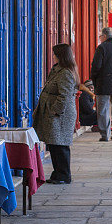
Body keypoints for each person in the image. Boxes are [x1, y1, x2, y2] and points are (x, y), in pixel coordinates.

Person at [33, 43, 80, 185]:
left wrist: (55, 110)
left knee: (60, 145)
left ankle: (64, 175)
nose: (53, 56)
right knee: (54, 143)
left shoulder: (65, 73)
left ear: (60, 55)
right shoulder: (57, 70)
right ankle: (57, 173)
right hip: (53, 113)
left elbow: (64, 95)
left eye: (55, 54)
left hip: (60, 115)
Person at [90, 27, 112, 141]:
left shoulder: (102, 47)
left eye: (100, 36)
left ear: (104, 36)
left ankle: (105, 134)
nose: (100, 38)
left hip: (103, 83)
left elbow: (96, 66)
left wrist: (93, 79)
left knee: (103, 110)